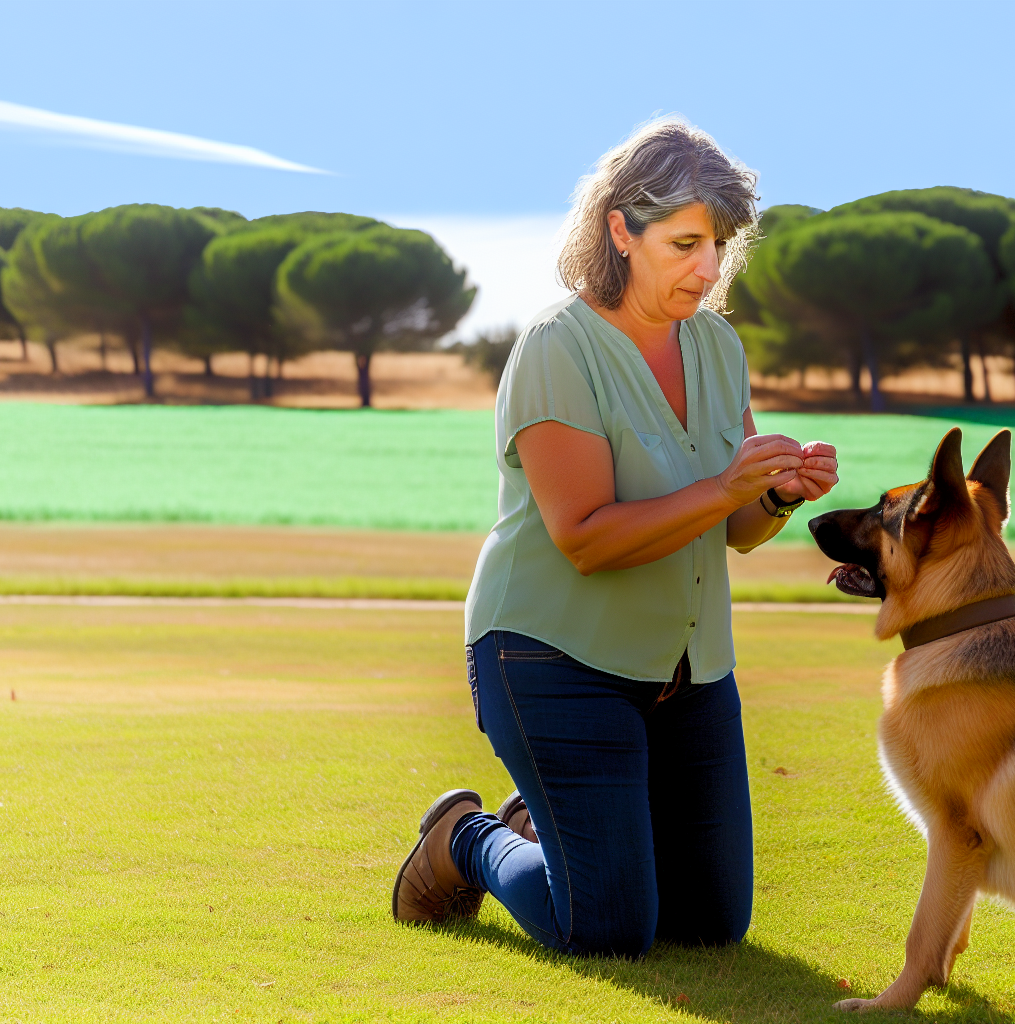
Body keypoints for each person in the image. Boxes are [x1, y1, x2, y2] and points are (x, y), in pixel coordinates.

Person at [391, 118, 839, 957]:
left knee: (711, 926)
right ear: (621, 232)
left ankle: (550, 822)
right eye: (685, 243)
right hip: (549, 659)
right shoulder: (557, 351)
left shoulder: (717, 346)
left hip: (688, 669)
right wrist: (723, 485)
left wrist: (775, 496)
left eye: (719, 244)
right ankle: (467, 837)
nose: (708, 269)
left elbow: (734, 530)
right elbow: (587, 539)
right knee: (606, 930)